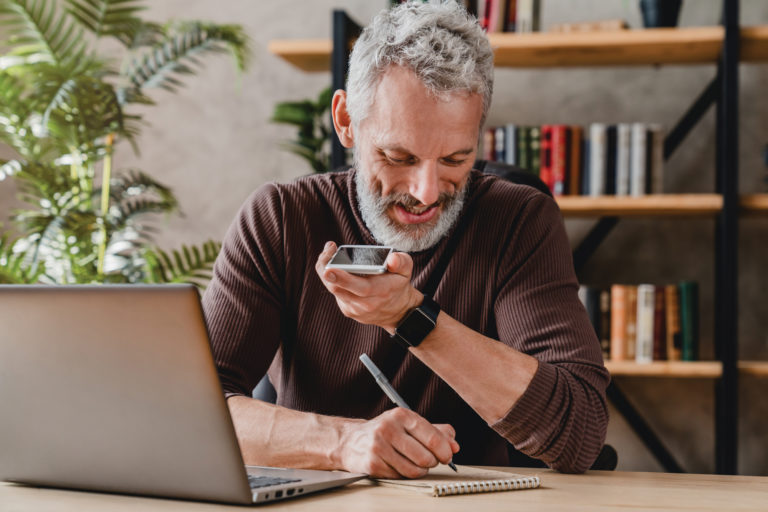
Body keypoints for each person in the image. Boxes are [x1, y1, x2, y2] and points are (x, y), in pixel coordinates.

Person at [202, 0, 609, 478]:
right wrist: (343, 444)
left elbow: (580, 434)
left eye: (456, 160)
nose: (428, 192)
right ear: (346, 121)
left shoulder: (518, 221)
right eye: (399, 157)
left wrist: (409, 317)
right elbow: (191, 412)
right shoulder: (281, 219)